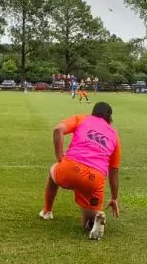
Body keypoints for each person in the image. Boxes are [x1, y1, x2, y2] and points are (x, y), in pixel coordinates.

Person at [39, 101, 121, 240]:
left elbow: (58, 129)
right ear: (109, 118)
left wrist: (60, 158)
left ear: (93, 112)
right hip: (95, 178)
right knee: (87, 220)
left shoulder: (82, 118)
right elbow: (114, 170)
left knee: (53, 172)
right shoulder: (114, 135)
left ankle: (47, 211)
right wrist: (114, 198)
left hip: (70, 168)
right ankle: (94, 222)